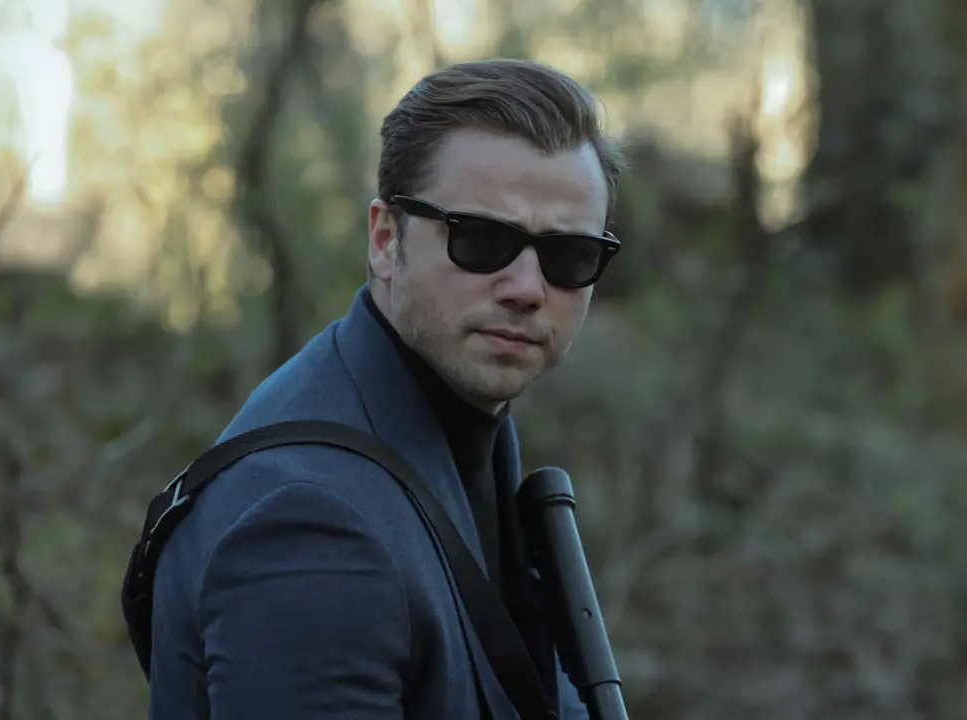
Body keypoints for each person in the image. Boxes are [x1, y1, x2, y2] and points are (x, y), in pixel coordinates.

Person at [146, 58, 628, 719]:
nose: (525, 289)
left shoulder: (453, 432)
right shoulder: (312, 523)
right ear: (384, 240)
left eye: (569, 256)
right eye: (481, 240)